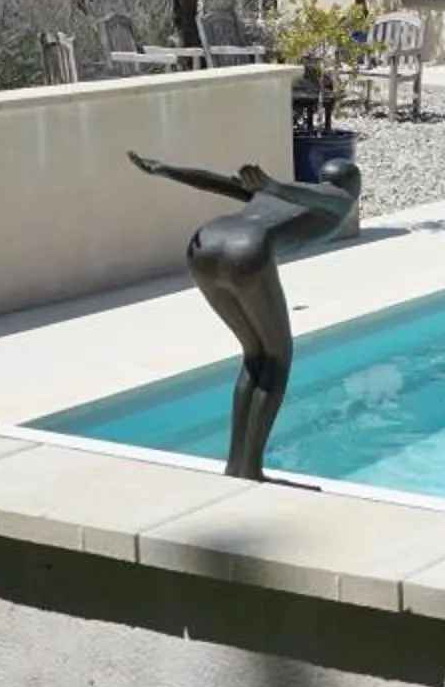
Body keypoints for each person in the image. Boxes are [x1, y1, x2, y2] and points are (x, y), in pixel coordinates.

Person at [127, 152, 363, 479]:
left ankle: (236, 466)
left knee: (255, 356)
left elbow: (216, 182)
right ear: (354, 185)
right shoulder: (339, 199)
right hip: (246, 251)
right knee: (277, 359)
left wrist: (167, 170)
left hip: (206, 243)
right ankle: (249, 469)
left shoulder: (278, 194)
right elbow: (324, 195)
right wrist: (274, 184)